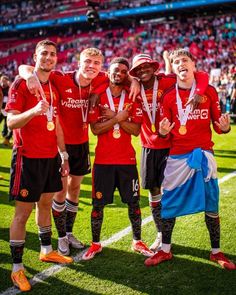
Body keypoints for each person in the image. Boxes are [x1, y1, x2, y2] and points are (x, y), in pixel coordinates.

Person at [19, 48, 140, 256]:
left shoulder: (100, 79)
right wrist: (29, 75)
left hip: (83, 143)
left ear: (101, 67)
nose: (91, 66)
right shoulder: (61, 77)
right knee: (59, 193)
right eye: (87, 61)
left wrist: (134, 81)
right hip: (61, 145)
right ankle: (61, 238)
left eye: (96, 63)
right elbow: (26, 67)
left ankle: (69, 232)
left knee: (74, 190)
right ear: (78, 62)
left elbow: (123, 77)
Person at [144, 48, 235, 270]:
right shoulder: (167, 96)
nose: (181, 64)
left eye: (185, 60)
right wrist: (163, 132)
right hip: (177, 158)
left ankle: (216, 252)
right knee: (169, 204)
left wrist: (223, 128)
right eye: (176, 63)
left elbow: (217, 123)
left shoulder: (210, 92)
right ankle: (165, 250)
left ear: (194, 65)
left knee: (211, 205)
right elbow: (163, 131)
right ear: (173, 69)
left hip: (205, 155)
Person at [6, 39, 73, 292]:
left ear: (57, 59)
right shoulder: (21, 82)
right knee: (21, 214)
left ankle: (46, 250)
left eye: (52, 54)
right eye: (43, 53)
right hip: (27, 158)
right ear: (35, 56)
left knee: (45, 204)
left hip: (50, 157)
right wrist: (34, 111)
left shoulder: (53, 84)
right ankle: (17, 268)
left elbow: (55, 124)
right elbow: (11, 123)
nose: (48, 57)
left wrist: (63, 155)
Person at [129, 53, 209, 252]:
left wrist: (199, 90)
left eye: (146, 66)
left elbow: (202, 75)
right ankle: (159, 233)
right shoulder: (133, 86)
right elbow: (110, 76)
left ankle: (166, 237)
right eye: (138, 69)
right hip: (148, 146)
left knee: (170, 192)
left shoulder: (168, 80)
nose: (143, 70)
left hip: (170, 146)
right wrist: (131, 80)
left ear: (154, 67)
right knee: (153, 191)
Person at [82, 57, 153, 260]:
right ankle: (95, 244)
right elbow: (95, 129)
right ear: (109, 71)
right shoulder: (96, 96)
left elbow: (136, 130)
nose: (119, 73)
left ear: (126, 75)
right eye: (116, 70)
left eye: (123, 71)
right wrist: (119, 118)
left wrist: (116, 117)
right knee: (98, 205)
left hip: (126, 161)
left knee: (133, 203)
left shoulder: (133, 97)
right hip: (103, 161)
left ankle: (137, 240)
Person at [0, 75, 13, 146]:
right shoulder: (0, 88)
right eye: (2, 81)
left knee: (7, 124)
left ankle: (6, 138)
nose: (3, 83)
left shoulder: (9, 88)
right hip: (1, 109)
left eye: (4, 81)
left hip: (7, 110)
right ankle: (5, 136)